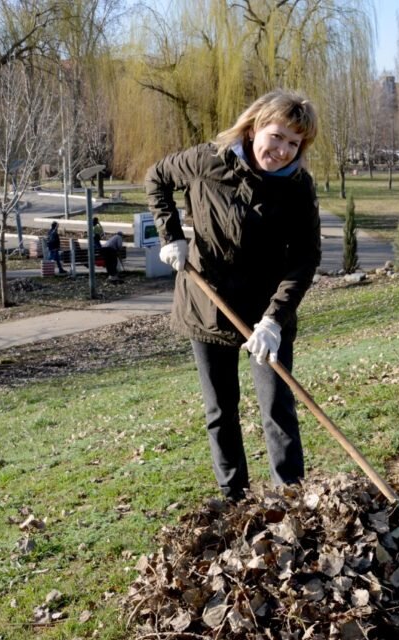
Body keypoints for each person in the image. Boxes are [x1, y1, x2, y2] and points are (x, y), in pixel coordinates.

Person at [145, 89, 321, 502]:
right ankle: (234, 498)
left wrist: (274, 320)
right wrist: (171, 236)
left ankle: (290, 498)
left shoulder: (298, 187)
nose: (282, 151)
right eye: (277, 136)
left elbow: (305, 258)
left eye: (294, 144)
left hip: (266, 313)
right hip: (207, 304)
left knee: (277, 406)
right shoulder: (208, 161)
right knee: (221, 409)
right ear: (255, 126)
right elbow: (156, 178)